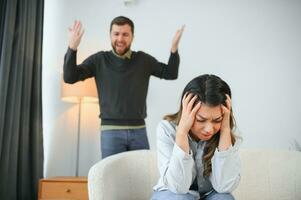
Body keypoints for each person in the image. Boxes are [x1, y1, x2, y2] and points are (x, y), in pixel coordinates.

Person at [63, 16, 184, 159]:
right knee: (112, 179)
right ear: (110, 35)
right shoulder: (99, 60)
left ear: (132, 36)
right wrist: (72, 48)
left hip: (139, 131)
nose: (120, 39)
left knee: (142, 177)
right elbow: (70, 77)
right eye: (116, 34)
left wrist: (174, 49)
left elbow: (170, 73)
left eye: (125, 34)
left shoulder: (143, 60)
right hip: (110, 132)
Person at [152, 74, 241, 200]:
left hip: (210, 195)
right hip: (172, 193)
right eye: (200, 119)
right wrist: (182, 133)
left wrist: (225, 130)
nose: (209, 129)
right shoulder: (166, 129)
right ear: (186, 111)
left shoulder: (226, 133)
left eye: (217, 120)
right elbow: (178, 187)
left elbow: (224, 187)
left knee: (224, 198)